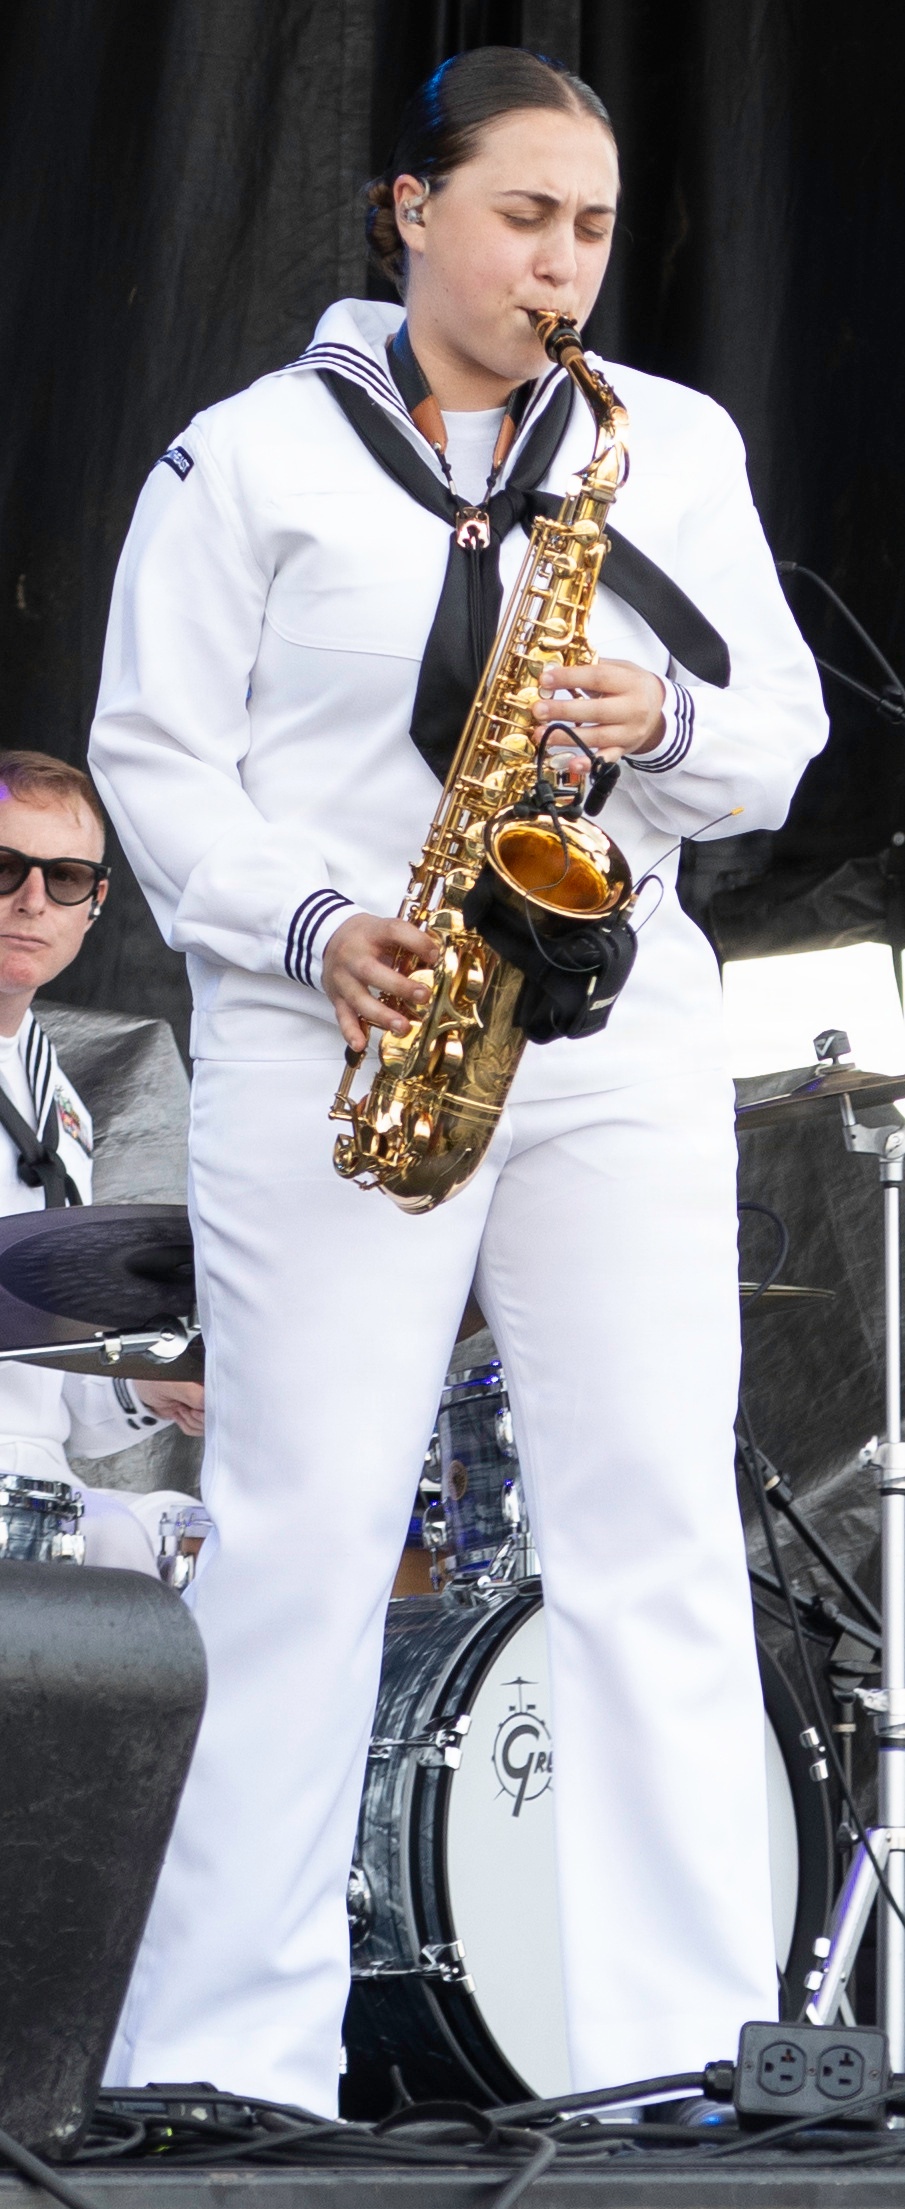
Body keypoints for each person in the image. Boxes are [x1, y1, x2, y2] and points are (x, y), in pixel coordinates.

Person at [89, 48, 828, 2110]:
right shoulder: (245, 457)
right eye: (522, 215)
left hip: (603, 1034)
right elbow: (150, 755)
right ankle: (218, 2061)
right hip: (342, 1020)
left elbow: (772, 736)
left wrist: (659, 708)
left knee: (649, 1528)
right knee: (299, 1531)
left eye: (590, 226)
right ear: (406, 208)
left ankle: (676, 2052)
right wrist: (320, 926)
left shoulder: (661, 443)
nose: (560, 262)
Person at [0, 750, 203, 1571]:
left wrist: (147, 1384)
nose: (32, 900)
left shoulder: (59, 1102)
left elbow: (46, 1402)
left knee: (226, 1551)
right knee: (122, 1550)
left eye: (67, 876)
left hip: (34, 1488)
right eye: (4, 866)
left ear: (96, 904)